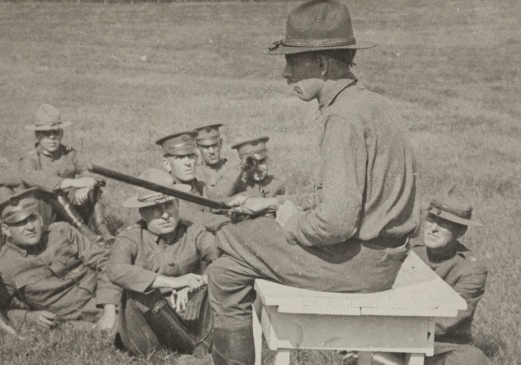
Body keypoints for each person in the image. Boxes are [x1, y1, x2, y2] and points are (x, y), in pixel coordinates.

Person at [179, 1, 420, 364]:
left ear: (321, 64)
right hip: (383, 257)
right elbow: (346, 197)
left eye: (292, 62)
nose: (285, 75)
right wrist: (273, 203)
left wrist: (289, 221)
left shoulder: (341, 119)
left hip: (359, 265)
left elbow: (336, 221)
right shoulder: (371, 104)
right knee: (226, 272)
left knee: (232, 236)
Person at [107, 169, 217, 357]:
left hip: (189, 315)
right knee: (140, 290)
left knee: (218, 281)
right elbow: (116, 270)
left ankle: (198, 352)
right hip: (147, 328)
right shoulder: (131, 237)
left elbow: (223, 258)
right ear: (143, 212)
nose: (165, 214)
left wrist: (197, 283)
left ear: (178, 204)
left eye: (169, 205)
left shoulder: (194, 231)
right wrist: (173, 282)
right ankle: (197, 352)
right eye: (155, 208)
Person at [0, 188, 120, 331]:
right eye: (20, 223)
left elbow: (104, 261)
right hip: (77, 320)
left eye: (32, 218)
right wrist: (27, 316)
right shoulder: (3, 266)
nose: (30, 227)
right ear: (6, 230)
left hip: (111, 297)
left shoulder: (62, 231)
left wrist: (109, 309)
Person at [413, 187, 489, 365]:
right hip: (396, 339)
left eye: (444, 223)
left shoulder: (471, 269)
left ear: (461, 231)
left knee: (473, 359)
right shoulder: (407, 253)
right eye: (431, 218)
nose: (433, 228)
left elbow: (449, 320)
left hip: (441, 345)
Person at [19, 104, 113, 243]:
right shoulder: (30, 158)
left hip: (69, 209)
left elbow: (86, 171)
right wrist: (74, 183)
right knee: (53, 190)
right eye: (46, 133)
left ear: (62, 133)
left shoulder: (69, 153)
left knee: (94, 188)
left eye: (56, 132)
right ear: (37, 136)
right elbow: (34, 178)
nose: (52, 137)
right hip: (42, 212)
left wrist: (85, 186)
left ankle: (102, 230)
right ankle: (85, 233)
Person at [156, 131, 230, 231]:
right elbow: (189, 215)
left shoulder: (200, 186)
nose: (188, 163)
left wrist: (248, 202)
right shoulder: (167, 192)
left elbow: (224, 200)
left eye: (191, 156)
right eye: (180, 158)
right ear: (167, 164)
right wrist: (230, 221)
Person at [213, 137, 285, 199]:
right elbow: (218, 197)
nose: (258, 169)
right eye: (252, 164)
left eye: (262, 162)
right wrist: (241, 167)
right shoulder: (237, 184)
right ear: (245, 164)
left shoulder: (276, 184)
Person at [194, 124, 231, 195]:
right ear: (198, 147)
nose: (211, 152)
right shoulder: (195, 174)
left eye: (214, 145)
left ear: (220, 143)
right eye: (206, 147)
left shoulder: (232, 168)